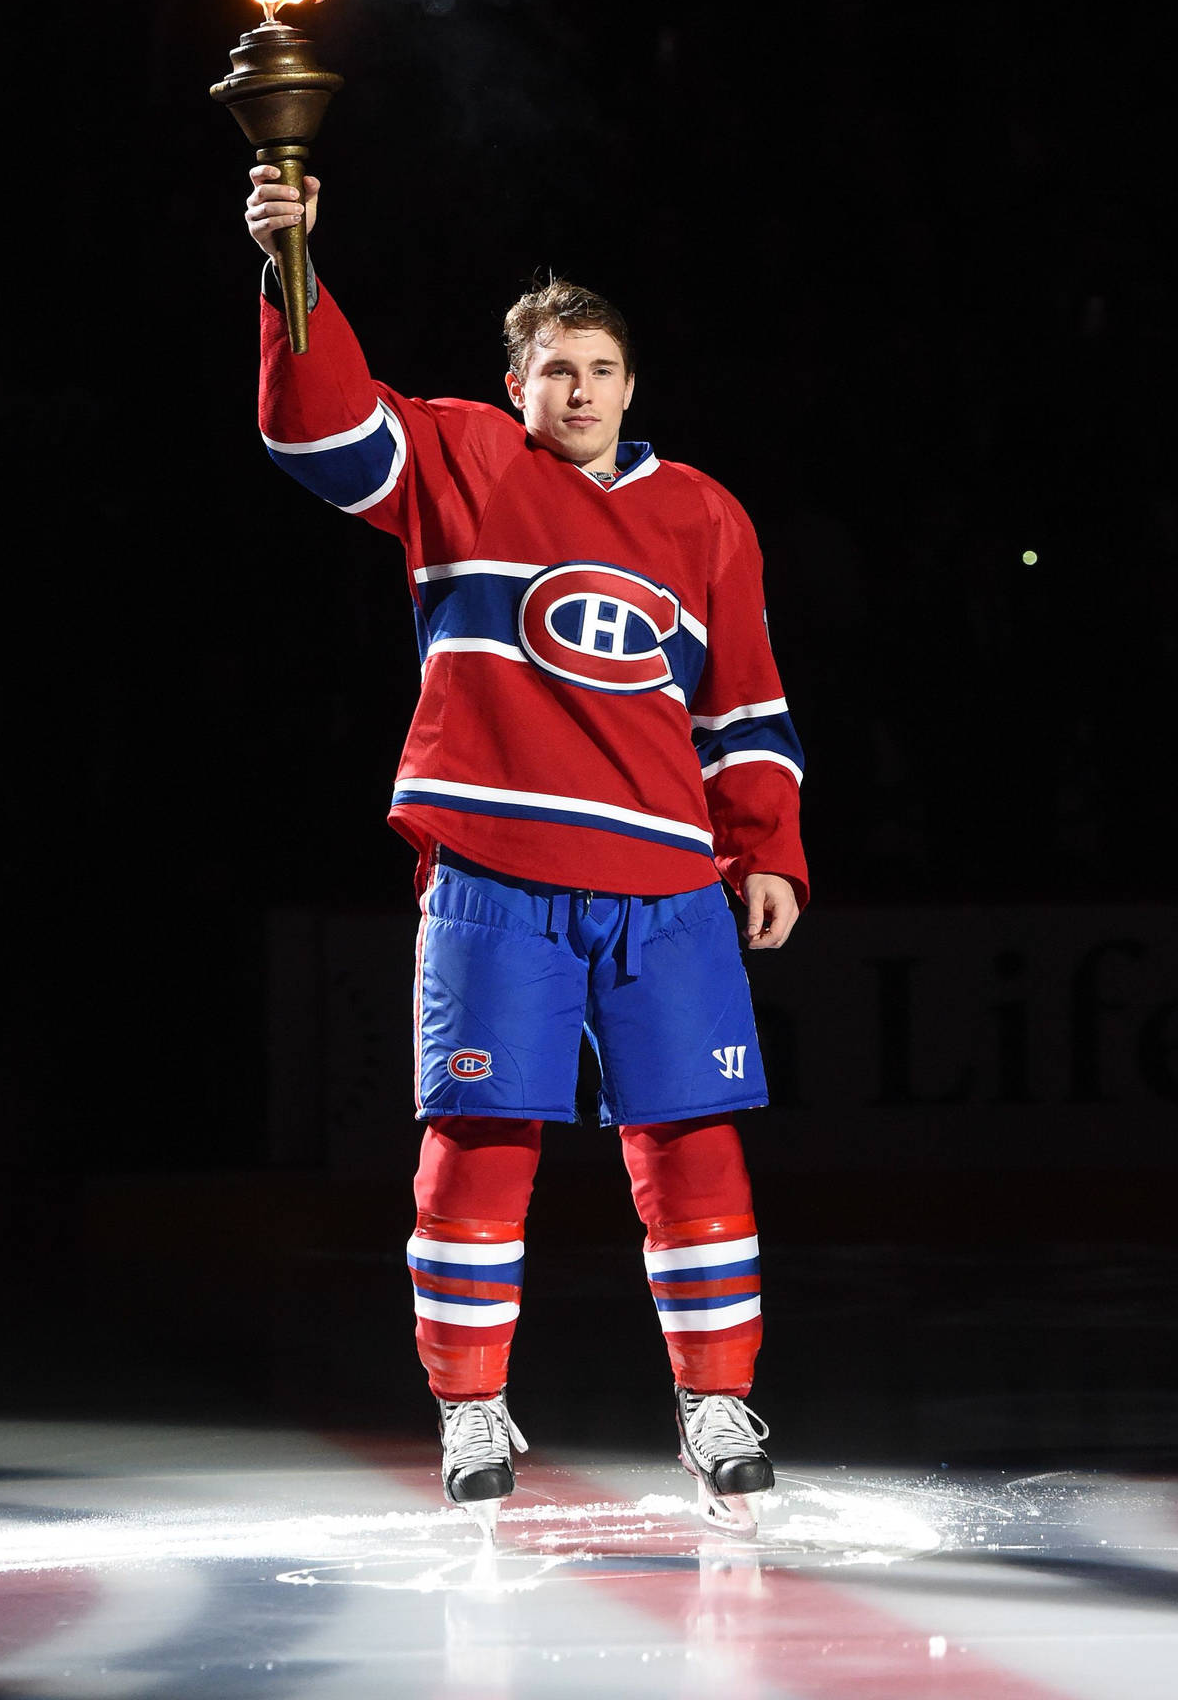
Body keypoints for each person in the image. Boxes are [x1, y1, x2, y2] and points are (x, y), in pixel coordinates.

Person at [244, 165, 809, 1537]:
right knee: (482, 1139)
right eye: (555, 370)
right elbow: (319, 436)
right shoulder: (461, 462)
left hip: (671, 885)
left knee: (694, 1146)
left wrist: (769, 848)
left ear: (629, 385)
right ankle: (472, 1407)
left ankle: (719, 1404)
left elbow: (743, 702)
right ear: (517, 387)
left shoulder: (706, 517)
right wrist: (290, 266)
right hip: (496, 881)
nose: (580, 393)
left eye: (601, 371)